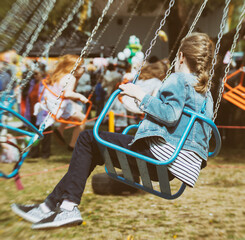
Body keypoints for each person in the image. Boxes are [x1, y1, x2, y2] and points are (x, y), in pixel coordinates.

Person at [11, 32, 215, 229]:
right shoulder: (206, 95)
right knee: (93, 149)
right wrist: (140, 102)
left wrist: (140, 95)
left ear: (180, 56)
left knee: (86, 138)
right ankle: (49, 207)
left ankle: (67, 207)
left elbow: (170, 114)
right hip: (175, 169)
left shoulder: (178, 79)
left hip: (160, 157)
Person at [34, 55, 88, 151]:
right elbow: (68, 94)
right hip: (60, 105)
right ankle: (73, 145)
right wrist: (80, 96)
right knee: (82, 120)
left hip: (51, 103)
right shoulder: (71, 77)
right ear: (73, 67)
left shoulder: (59, 74)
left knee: (78, 108)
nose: (84, 69)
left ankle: (60, 130)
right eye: (81, 66)